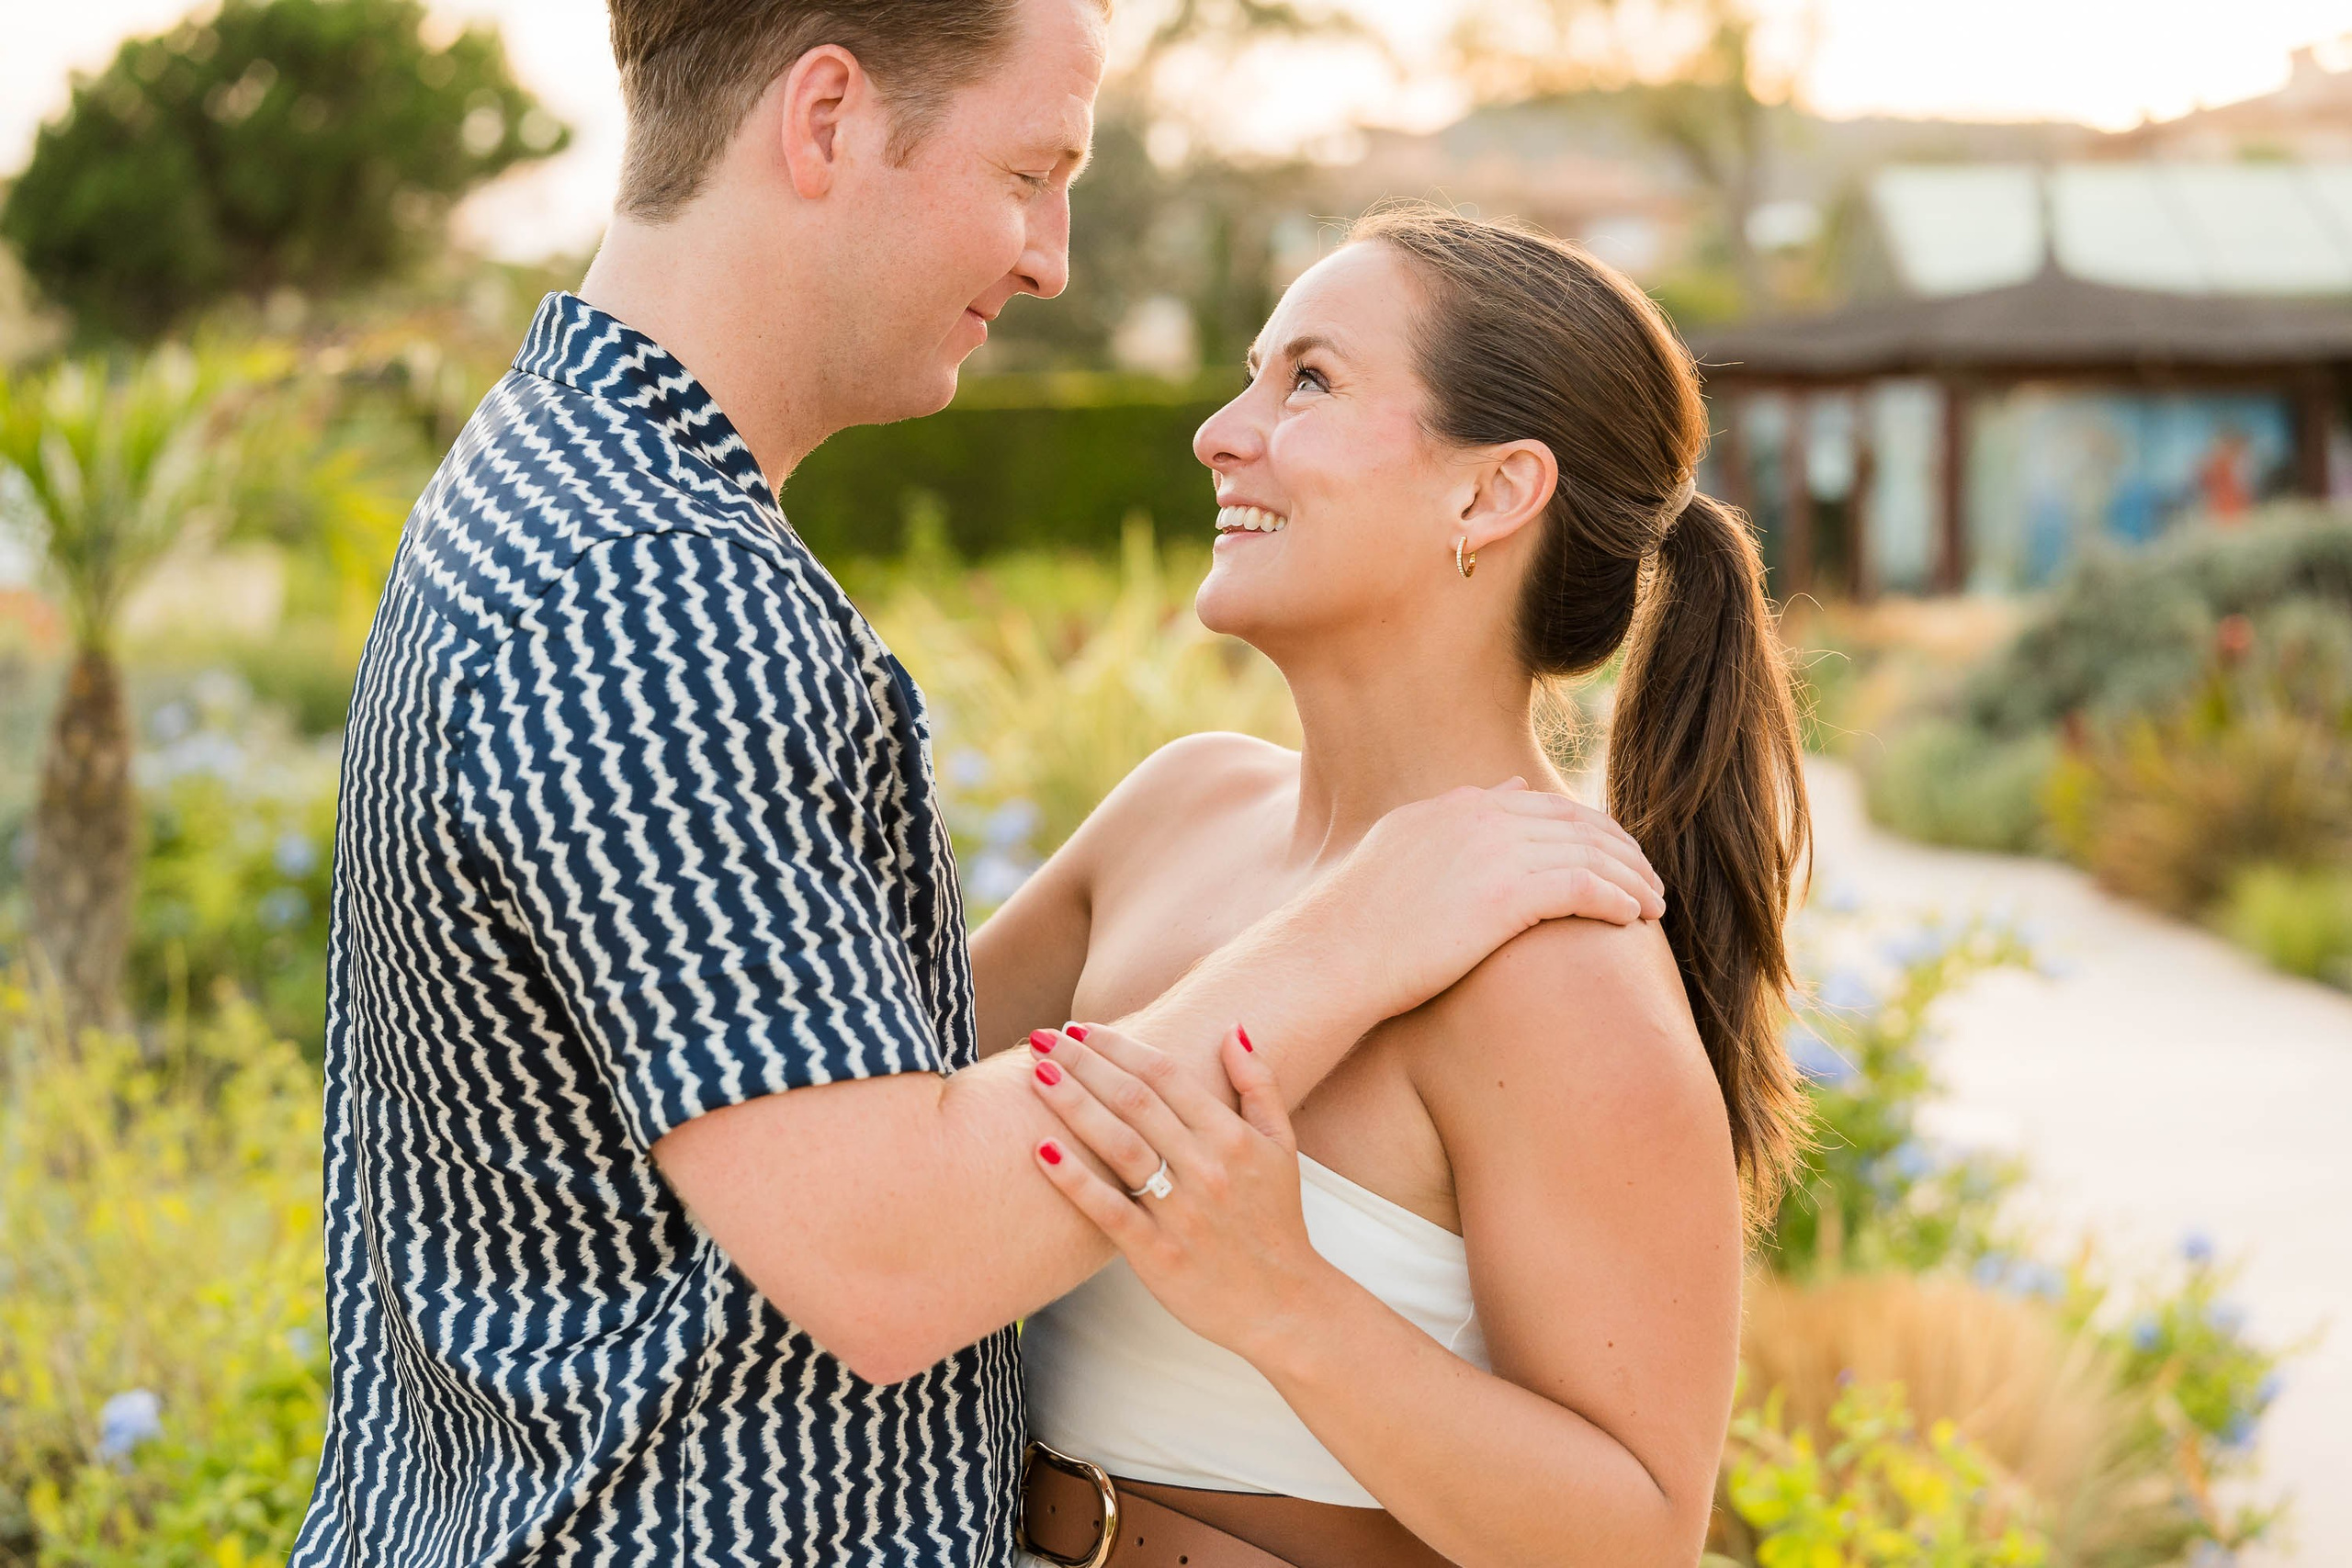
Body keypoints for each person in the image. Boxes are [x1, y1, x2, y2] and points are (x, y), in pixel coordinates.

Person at [288, 5, 1668, 1565]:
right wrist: (1358, 935)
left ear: (1500, 492)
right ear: (824, 120)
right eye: (1030, 170)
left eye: (1310, 384)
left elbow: (919, 1107)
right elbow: (897, 1248)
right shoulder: (656, 591)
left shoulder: (583, 508)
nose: (1050, 259)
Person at [998, 208, 1813, 1568]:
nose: (1218, 430)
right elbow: (877, 1125)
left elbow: (1632, 1540)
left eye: (1307, 380)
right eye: (1253, 373)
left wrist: (1284, 1300)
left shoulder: (1560, 967)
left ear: (1489, 494)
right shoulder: (1172, 814)